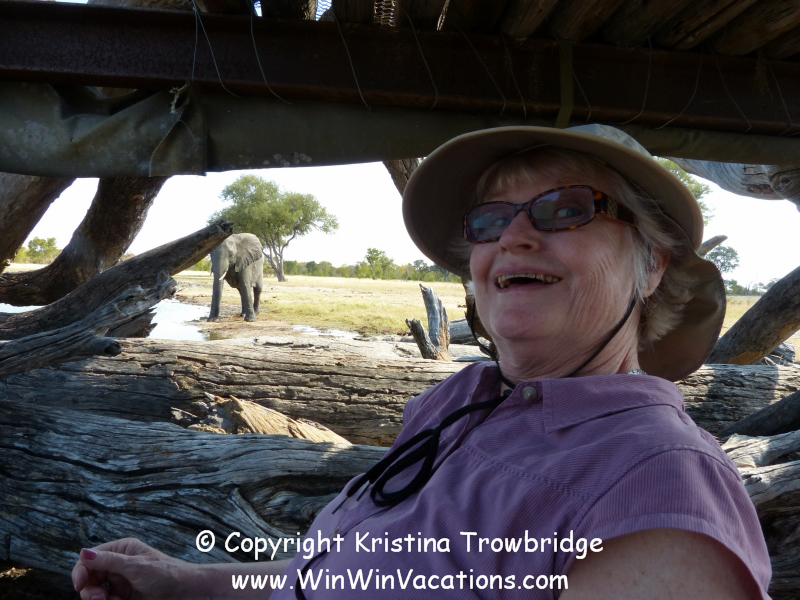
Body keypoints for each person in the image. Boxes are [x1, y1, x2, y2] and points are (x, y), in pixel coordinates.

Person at [72, 124, 772, 599]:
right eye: (490, 221)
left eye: (565, 210)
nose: (514, 237)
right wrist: (187, 582)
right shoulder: (462, 402)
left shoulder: (658, 488)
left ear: (652, 265)